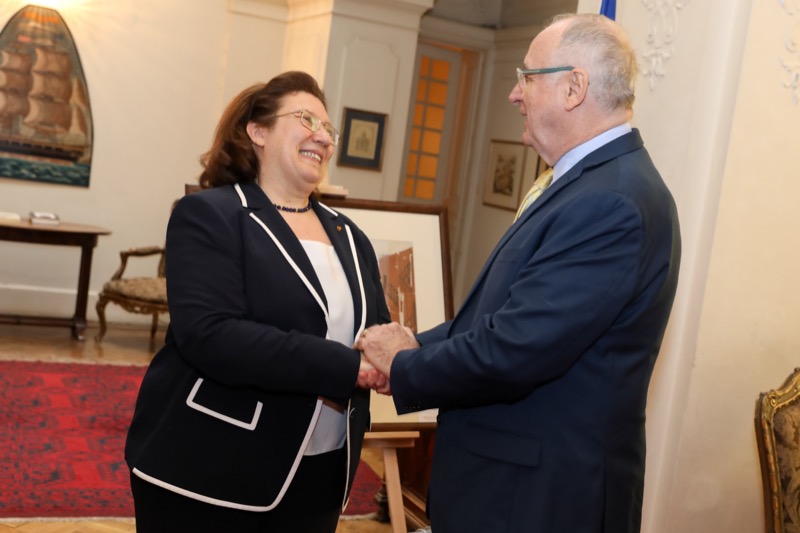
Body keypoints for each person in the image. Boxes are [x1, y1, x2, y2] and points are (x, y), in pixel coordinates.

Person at [357, 13, 682, 533]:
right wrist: (414, 346)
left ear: (574, 88)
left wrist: (403, 365)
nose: (514, 94)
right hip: (511, 488)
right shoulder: (584, 184)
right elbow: (502, 317)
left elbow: (516, 348)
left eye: (527, 76)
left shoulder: (611, 200)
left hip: (536, 500)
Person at [125, 71, 390, 532]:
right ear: (258, 131)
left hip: (322, 473)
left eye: (329, 128)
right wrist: (350, 369)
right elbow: (212, 336)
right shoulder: (210, 215)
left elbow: (377, 333)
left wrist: (400, 356)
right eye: (306, 119)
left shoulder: (351, 237)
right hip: (213, 467)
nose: (323, 137)